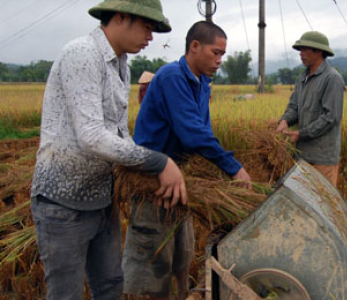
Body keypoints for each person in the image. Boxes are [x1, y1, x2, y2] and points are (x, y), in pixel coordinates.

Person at [30, 1, 187, 299]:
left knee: (111, 286)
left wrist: (143, 173)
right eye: (147, 27)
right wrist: (157, 162)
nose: (150, 37)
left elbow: (119, 134)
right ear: (121, 16)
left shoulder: (120, 65)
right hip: (63, 204)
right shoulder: (82, 53)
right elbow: (91, 136)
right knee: (68, 294)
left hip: (102, 200)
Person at [122, 21, 252, 300]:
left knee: (181, 256)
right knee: (154, 264)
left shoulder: (202, 82)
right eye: (215, 53)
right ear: (195, 46)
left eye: (222, 55)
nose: (219, 60)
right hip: (153, 182)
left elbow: (202, 129)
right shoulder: (172, 77)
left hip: (179, 178)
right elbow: (192, 134)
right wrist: (233, 168)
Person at [276, 31, 345, 187]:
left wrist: (300, 133)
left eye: (305, 49)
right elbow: (294, 106)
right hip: (301, 156)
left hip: (322, 158)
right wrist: (285, 121)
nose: (301, 54)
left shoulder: (332, 78)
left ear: (318, 51)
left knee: (322, 204)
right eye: (300, 50)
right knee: (301, 203)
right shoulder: (303, 77)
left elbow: (331, 118)